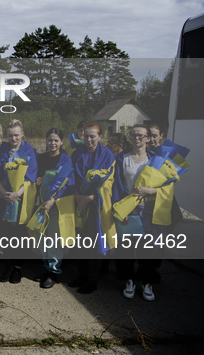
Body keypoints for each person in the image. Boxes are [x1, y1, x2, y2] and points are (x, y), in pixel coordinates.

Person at [113, 125, 167, 301]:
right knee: (127, 248)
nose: (137, 138)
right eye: (134, 135)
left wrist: (150, 191)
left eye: (141, 135)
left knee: (148, 249)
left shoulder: (156, 159)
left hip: (149, 210)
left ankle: (146, 283)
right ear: (130, 138)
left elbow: (167, 186)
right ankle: (129, 280)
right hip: (129, 208)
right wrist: (121, 209)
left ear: (147, 139)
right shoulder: (122, 158)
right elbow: (117, 185)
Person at [70, 123, 116, 294]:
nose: (88, 140)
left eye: (92, 136)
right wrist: (76, 195)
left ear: (100, 137)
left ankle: (92, 280)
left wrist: (92, 197)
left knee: (94, 242)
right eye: (86, 136)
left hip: (97, 205)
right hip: (78, 202)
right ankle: (81, 276)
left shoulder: (108, 155)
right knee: (80, 242)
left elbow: (109, 182)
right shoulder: (77, 153)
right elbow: (71, 175)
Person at [0, 119, 37, 284]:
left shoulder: (29, 150)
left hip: (21, 198)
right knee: (6, 234)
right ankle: (8, 266)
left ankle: (17, 269)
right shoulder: (3, 150)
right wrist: (4, 192)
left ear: (22, 134)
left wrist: (17, 194)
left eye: (17, 135)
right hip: (4, 197)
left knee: (20, 235)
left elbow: (31, 175)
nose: (14, 138)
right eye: (11, 135)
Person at [32, 128, 75, 289]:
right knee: (43, 238)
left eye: (56, 140)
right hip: (41, 203)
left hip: (56, 205)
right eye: (50, 140)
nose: (52, 143)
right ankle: (46, 268)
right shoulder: (40, 158)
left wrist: (53, 201)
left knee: (54, 240)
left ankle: (54, 272)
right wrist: (37, 181)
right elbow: (36, 177)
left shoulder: (65, 160)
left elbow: (67, 184)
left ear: (61, 142)